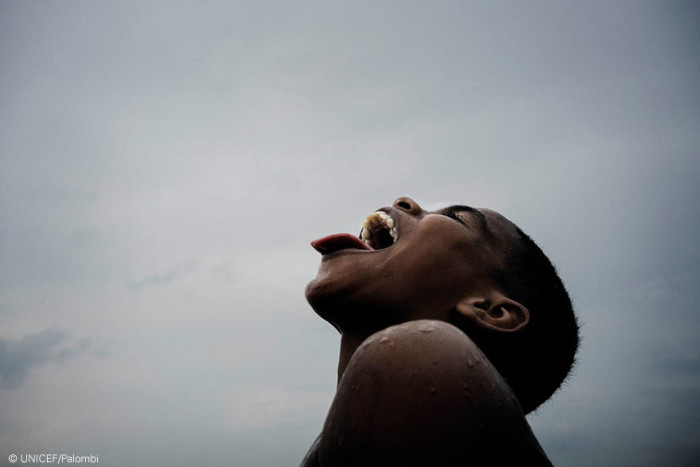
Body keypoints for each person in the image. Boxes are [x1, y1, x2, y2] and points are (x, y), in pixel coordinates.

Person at [301, 196, 579, 466]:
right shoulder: (328, 447)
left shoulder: (416, 350)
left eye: (456, 218)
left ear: (491, 310)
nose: (404, 202)